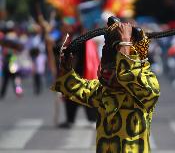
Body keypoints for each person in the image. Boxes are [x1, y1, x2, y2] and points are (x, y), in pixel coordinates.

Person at [51, 20, 160, 152]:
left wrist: (125, 41)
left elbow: (129, 75)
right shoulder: (104, 91)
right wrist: (66, 67)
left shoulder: (147, 86)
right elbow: (72, 86)